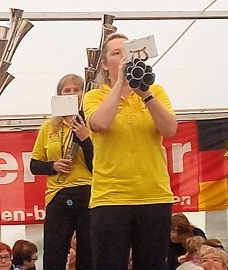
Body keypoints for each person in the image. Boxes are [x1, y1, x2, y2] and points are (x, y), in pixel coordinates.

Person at [83, 33, 178, 270]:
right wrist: (119, 84)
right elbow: (101, 124)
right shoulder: (94, 96)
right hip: (111, 198)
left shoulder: (156, 91)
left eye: (128, 52)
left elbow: (170, 128)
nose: (124, 57)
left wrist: (145, 93)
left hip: (154, 196)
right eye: (116, 53)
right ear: (105, 64)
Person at [30, 74, 93, 269]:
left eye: (76, 90)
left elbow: (99, 164)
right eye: (67, 90)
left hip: (89, 193)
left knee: (88, 251)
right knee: (54, 251)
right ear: (58, 95)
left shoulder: (93, 124)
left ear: (84, 95)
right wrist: (53, 166)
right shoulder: (49, 126)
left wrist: (85, 139)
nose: (72, 94)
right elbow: (34, 165)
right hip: (57, 195)